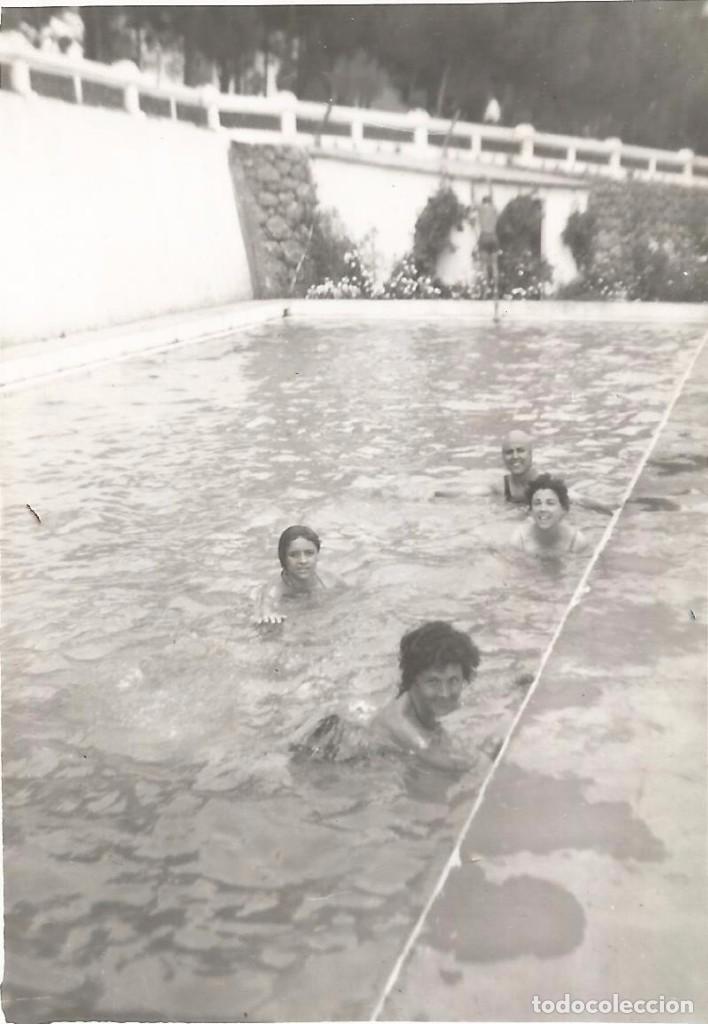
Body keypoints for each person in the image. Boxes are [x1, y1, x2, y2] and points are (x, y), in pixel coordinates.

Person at [435, 427, 615, 515]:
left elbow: (579, 499)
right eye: (509, 452)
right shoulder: (500, 487)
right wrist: (436, 493)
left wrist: (612, 509)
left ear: (531, 454)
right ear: (503, 457)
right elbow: (467, 493)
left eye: (520, 450)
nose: (515, 457)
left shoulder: (545, 482)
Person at [252, 524, 338, 626]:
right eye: (293, 555)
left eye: (309, 553)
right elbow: (265, 610)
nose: (303, 560)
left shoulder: (330, 581)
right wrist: (269, 617)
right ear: (283, 558)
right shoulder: (274, 590)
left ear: (317, 555)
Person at [512, 474, 588, 556]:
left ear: (564, 509)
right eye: (537, 503)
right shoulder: (519, 540)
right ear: (530, 511)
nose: (543, 509)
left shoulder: (576, 541)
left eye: (550, 503)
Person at [472, 191, 500, 297]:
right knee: (494, 265)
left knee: (484, 266)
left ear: (483, 201)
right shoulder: (495, 210)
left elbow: (473, 201)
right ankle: (496, 290)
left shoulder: (480, 209)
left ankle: (486, 290)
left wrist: (473, 189)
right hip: (493, 237)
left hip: (484, 237)